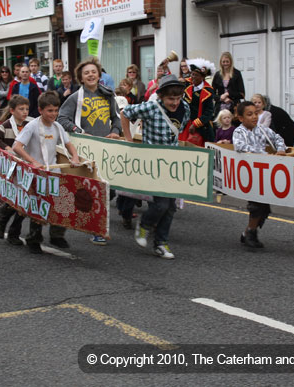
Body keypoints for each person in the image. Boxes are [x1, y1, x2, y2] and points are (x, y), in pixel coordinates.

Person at [121, 75, 190, 259]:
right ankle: (144, 225)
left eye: (178, 98)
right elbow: (125, 113)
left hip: (173, 163)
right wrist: (129, 139)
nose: (175, 102)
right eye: (170, 99)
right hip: (152, 163)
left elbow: (179, 131)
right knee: (161, 203)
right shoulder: (151, 107)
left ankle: (161, 243)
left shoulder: (185, 108)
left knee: (171, 206)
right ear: (161, 97)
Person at [57, 57, 121, 245]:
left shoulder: (108, 95)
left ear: (99, 75)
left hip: (107, 149)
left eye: (93, 71)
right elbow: (61, 118)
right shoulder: (75, 98)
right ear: (81, 78)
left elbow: (117, 118)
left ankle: (94, 221)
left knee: (110, 190)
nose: (91, 75)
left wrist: (115, 132)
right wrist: (78, 131)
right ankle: (96, 229)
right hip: (86, 150)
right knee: (95, 189)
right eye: (86, 73)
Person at [12, 91, 81, 254]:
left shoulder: (57, 126)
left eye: (56, 110)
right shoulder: (32, 126)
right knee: (38, 206)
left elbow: (69, 144)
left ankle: (56, 235)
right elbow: (17, 146)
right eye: (50, 111)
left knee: (61, 203)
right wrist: (33, 161)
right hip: (37, 173)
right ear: (41, 110)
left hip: (53, 171)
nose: (54, 114)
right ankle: (33, 238)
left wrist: (75, 157)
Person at [233, 100, 287, 249]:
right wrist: (262, 154)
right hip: (249, 174)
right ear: (241, 118)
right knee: (256, 205)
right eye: (249, 114)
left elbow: (278, 138)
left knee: (264, 207)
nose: (254, 117)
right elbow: (240, 146)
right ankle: (250, 233)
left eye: (256, 113)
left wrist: (281, 149)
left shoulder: (262, 129)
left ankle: (248, 232)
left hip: (264, 173)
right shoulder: (239, 132)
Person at [0, 95, 32, 246]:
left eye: (27, 108)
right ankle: (3, 217)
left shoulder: (31, 123)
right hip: (11, 168)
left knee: (26, 201)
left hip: (27, 166)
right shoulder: (6, 125)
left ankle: (14, 233)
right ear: (12, 111)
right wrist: (7, 148)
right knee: (15, 199)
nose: (25, 112)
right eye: (21, 109)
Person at [179, 59, 216, 146]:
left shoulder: (208, 91)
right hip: (186, 125)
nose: (193, 77)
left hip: (201, 128)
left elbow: (209, 112)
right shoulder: (187, 86)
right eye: (192, 74)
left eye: (196, 75)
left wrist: (195, 124)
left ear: (202, 77)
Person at [212, 52, 246, 119]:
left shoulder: (237, 74)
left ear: (231, 62)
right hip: (219, 109)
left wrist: (228, 94)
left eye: (227, 61)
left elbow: (242, 94)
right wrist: (221, 98)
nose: (225, 64)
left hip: (234, 108)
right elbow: (211, 93)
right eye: (223, 62)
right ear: (221, 62)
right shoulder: (217, 75)